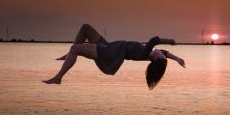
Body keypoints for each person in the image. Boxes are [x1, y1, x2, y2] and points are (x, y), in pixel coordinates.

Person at [42, 24, 185, 89]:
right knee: (85, 28)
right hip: (109, 46)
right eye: (161, 53)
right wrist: (178, 59)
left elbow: (155, 39)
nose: (161, 51)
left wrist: (171, 41)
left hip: (110, 54)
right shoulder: (149, 54)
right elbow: (165, 53)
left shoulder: (146, 52)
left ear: (155, 58)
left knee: (75, 48)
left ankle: (58, 77)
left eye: (160, 54)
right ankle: (69, 56)